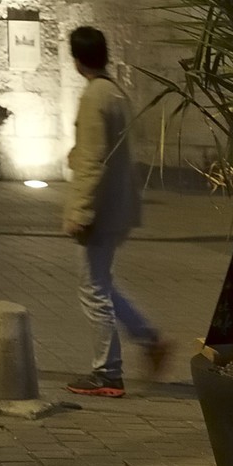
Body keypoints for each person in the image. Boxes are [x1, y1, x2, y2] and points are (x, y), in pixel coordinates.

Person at [63, 24, 168, 396]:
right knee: (102, 283)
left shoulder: (94, 96)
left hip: (102, 210)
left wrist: (81, 212)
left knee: (92, 289)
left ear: (77, 60)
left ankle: (107, 371)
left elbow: (94, 160)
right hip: (120, 205)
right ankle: (148, 338)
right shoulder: (116, 92)